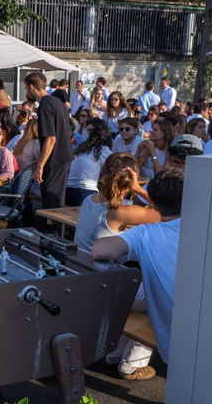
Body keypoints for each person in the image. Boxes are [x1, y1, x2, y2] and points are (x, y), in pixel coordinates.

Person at [92, 168, 184, 378]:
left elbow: (99, 250)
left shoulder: (145, 233)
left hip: (173, 337)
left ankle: (122, 357)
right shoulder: (206, 227)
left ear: (154, 205)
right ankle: (128, 360)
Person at [75, 152, 160, 252]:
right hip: (100, 262)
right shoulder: (121, 212)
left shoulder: (89, 199)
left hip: (78, 259)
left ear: (103, 173)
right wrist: (137, 188)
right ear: (133, 179)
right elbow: (165, 213)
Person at [25, 72, 73, 210]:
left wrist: (40, 166)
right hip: (62, 158)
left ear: (31, 87)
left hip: (55, 160)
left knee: (52, 207)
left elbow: (51, 138)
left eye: (26, 89)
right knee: (55, 204)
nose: (26, 93)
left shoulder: (45, 105)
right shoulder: (57, 102)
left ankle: (53, 226)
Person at [66, 122, 112, 207]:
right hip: (85, 192)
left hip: (67, 191)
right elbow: (112, 169)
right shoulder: (104, 150)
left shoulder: (81, 148)